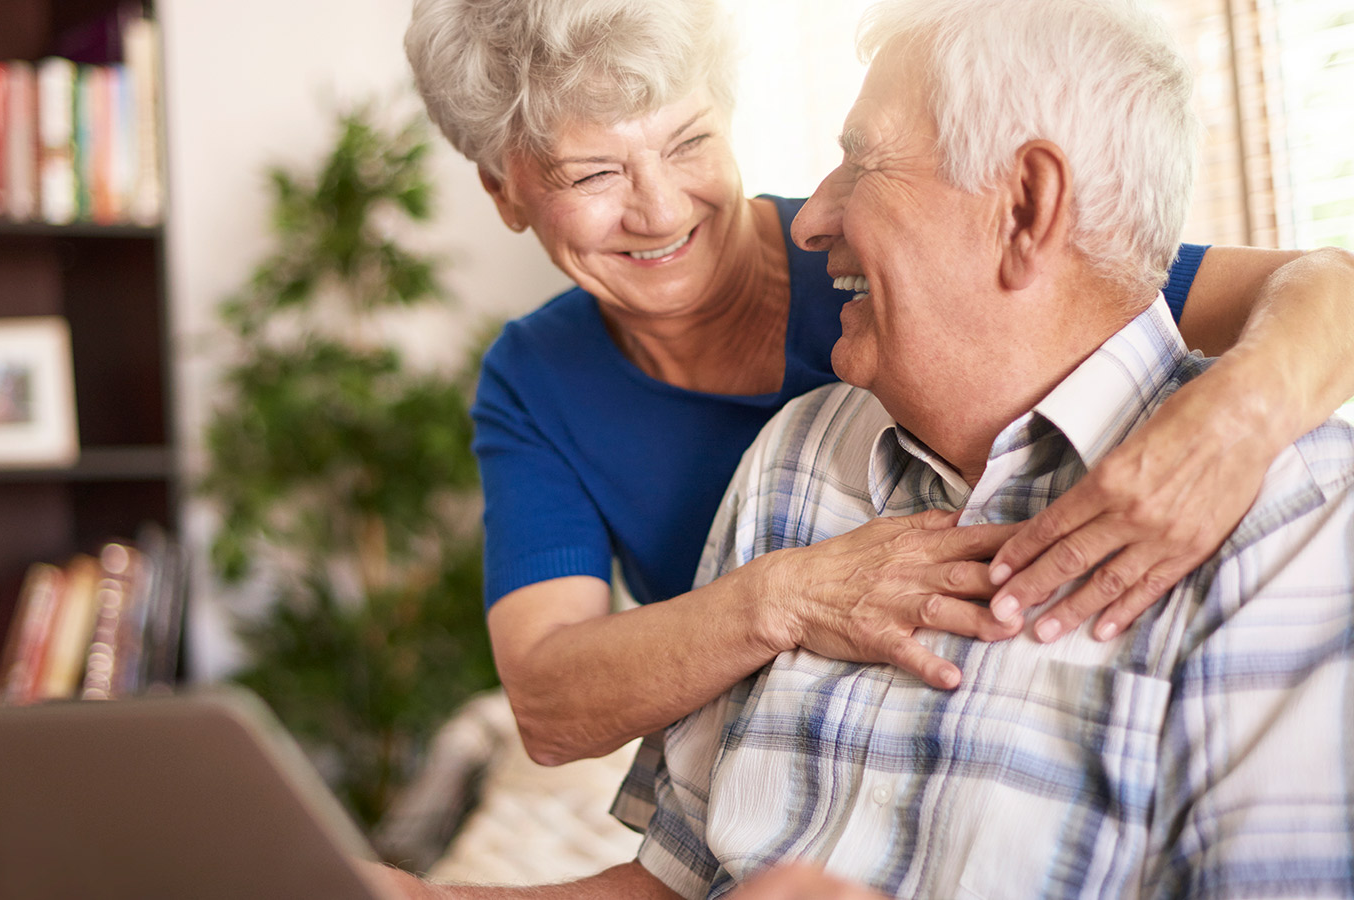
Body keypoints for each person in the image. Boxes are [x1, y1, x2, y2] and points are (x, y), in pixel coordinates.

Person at [377, 0, 1354, 896]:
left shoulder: (948, 273)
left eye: (688, 144)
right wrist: (784, 598)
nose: (663, 209)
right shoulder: (784, 453)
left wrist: (1242, 418)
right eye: (593, 173)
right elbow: (625, 796)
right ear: (504, 190)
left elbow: (1165, 278)